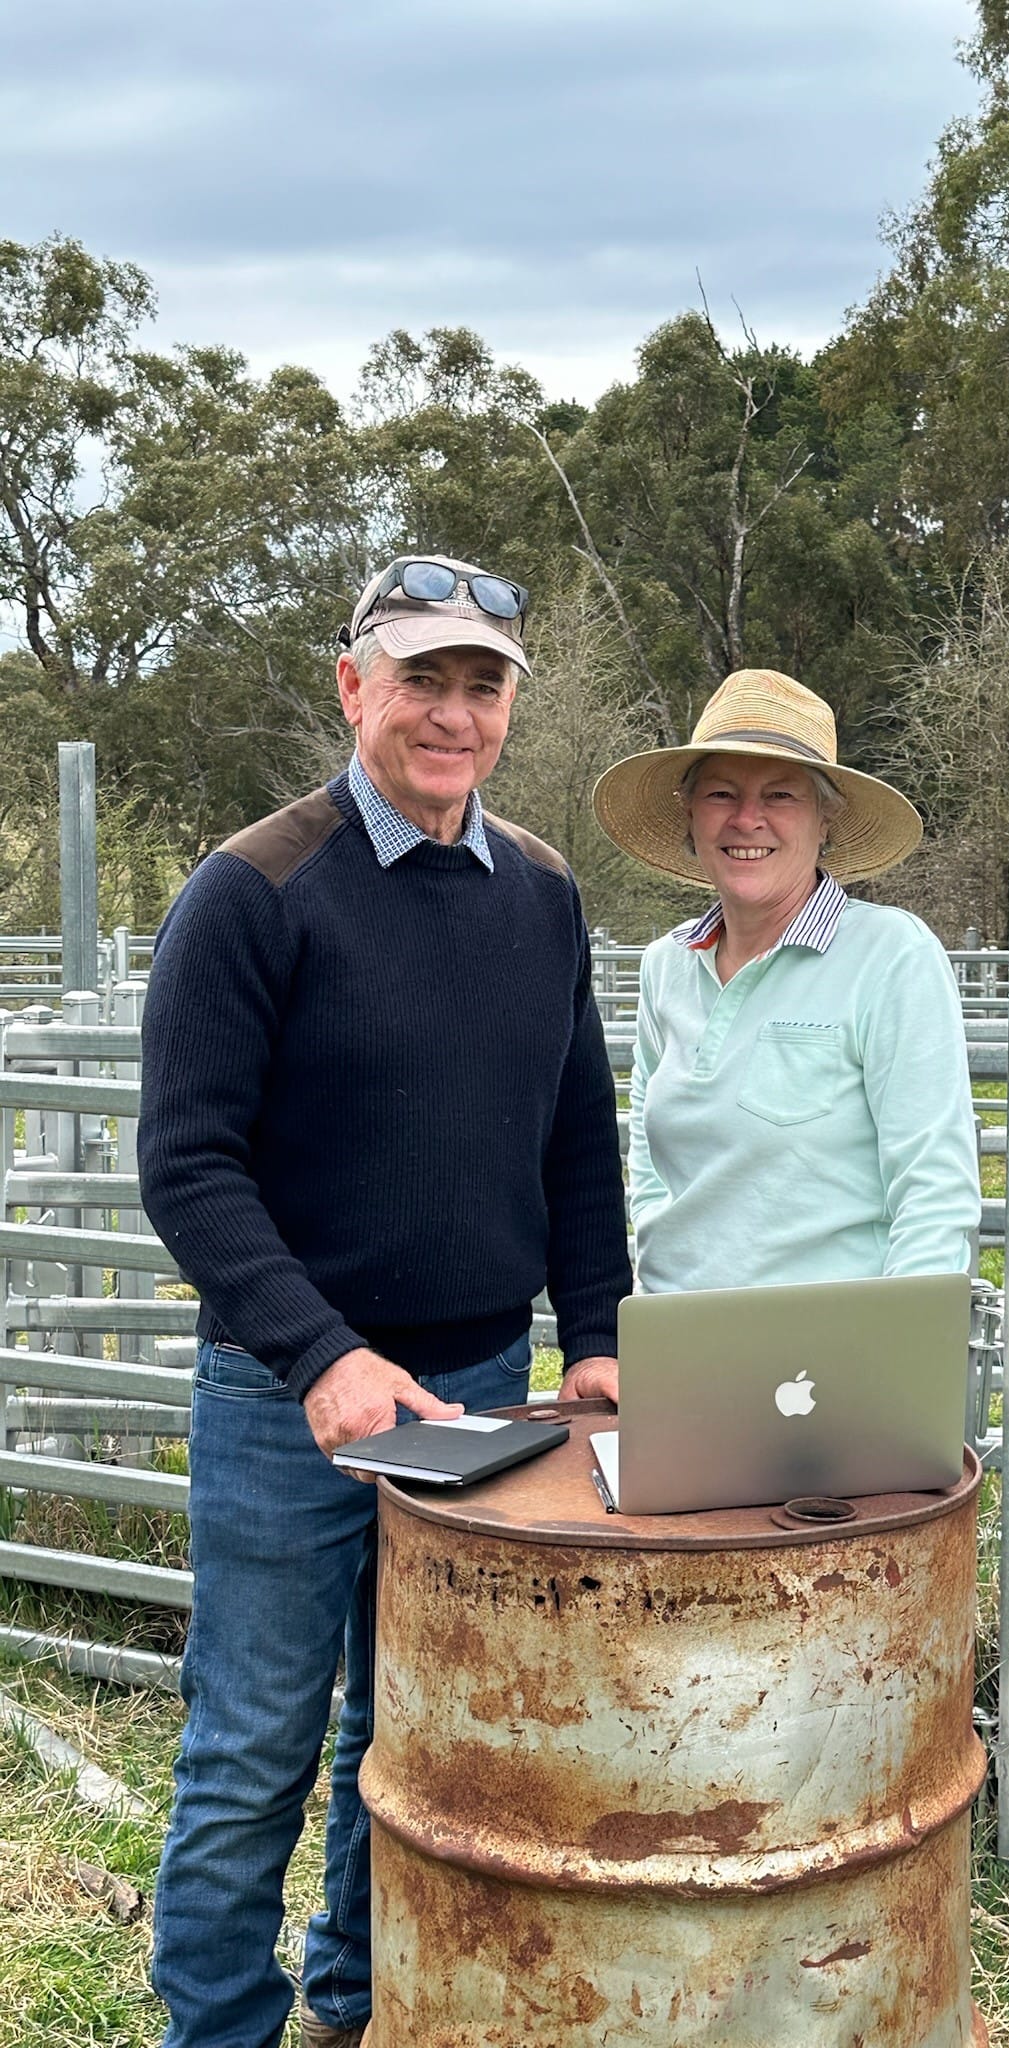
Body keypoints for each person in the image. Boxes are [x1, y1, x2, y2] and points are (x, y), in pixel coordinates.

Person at [137, 554, 630, 2048]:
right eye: (423, 678)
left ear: (510, 712)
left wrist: (596, 1339)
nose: (453, 714)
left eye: (483, 687)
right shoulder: (253, 893)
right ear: (353, 686)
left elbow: (575, 1139)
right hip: (294, 1406)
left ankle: (363, 2005)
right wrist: (319, 1354)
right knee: (253, 1748)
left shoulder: (541, 895)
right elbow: (190, 1166)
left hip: (481, 1391)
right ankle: (217, 2026)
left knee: (416, 1739)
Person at [592, 666, 980, 1295]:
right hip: (682, 1340)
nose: (747, 819)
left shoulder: (888, 955)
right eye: (720, 794)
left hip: (828, 1359)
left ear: (824, 821)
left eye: (781, 795)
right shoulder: (667, 965)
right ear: (690, 817)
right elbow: (651, 1159)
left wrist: (902, 1360)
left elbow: (932, 1186)